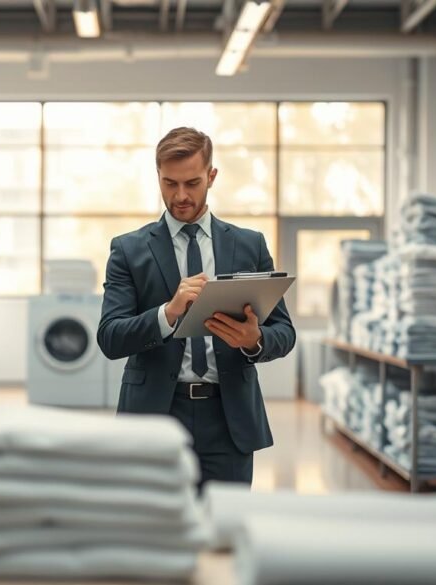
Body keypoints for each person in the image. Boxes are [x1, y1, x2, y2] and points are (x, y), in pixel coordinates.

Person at [97, 126, 296, 486]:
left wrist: (254, 340)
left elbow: (284, 332)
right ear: (158, 177)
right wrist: (167, 313)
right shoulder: (128, 250)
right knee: (155, 531)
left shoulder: (249, 245)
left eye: (192, 182)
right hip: (155, 415)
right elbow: (110, 338)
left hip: (228, 416)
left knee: (224, 531)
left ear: (212, 176)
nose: (181, 195)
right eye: (169, 183)